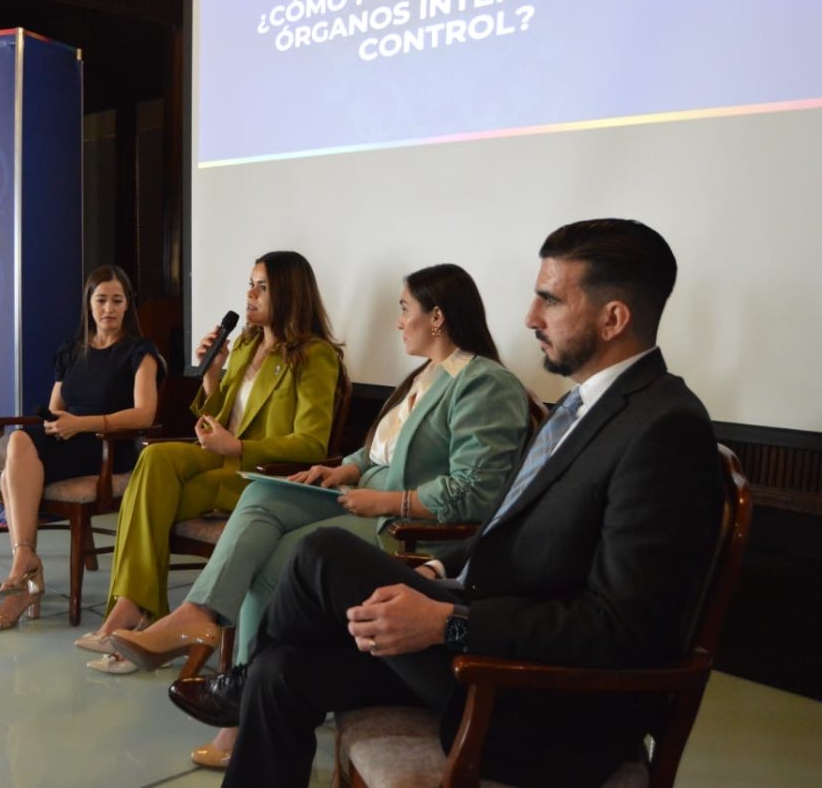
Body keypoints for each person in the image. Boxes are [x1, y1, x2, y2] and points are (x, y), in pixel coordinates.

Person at [169, 219, 725, 787]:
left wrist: (451, 625)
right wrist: (438, 570)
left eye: (551, 300)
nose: (530, 317)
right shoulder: (582, 407)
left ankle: (236, 680)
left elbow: (626, 630)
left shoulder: (664, 429)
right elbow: (508, 531)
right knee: (282, 670)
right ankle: (250, 679)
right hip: (484, 633)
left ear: (614, 318)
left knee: (322, 552)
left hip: (537, 697)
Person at [111, 264, 531, 768]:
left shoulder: (484, 383)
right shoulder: (423, 375)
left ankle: (242, 716)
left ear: (437, 317)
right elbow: (374, 452)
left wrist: (385, 502)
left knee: (278, 561)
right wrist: (341, 469)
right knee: (261, 496)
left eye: (405, 309)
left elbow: (475, 492)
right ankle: (199, 617)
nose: (398, 322)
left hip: (405, 525)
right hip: (363, 496)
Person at [75, 250, 344, 673]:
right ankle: (134, 611)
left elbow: (311, 443)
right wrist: (212, 374)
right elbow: (216, 417)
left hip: (255, 473)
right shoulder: (247, 344)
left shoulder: (314, 356)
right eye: (250, 284)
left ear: (290, 294)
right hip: (217, 457)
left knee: (148, 499)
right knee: (155, 458)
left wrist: (237, 448)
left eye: (262, 288)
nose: (249, 295)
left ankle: (135, 615)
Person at [0, 265, 161, 630]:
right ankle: (25, 559)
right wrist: (57, 422)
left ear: (128, 305)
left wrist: (83, 424)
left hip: (108, 447)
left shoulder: (140, 352)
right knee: (19, 443)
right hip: (69, 439)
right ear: (89, 304)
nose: (108, 309)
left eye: (117, 301)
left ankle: (25, 574)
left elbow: (145, 414)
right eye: (101, 300)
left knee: (14, 464)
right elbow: (55, 408)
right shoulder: (72, 351)